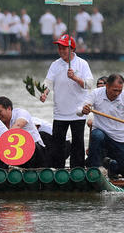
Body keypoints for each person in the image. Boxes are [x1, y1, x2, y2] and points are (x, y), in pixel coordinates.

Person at [39, 34, 93, 169]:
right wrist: (44, 93)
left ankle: (78, 169)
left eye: (64, 48)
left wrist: (75, 77)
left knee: (78, 142)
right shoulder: (55, 65)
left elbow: (89, 84)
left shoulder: (82, 64)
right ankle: (58, 169)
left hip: (78, 111)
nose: (61, 50)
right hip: (60, 112)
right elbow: (48, 83)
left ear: (72, 49)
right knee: (58, 143)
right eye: (59, 48)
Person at [81, 74, 124, 180]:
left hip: (119, 139)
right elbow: (80, 110)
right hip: (102, 136)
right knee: (96, 134)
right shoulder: (96, 94)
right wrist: (83, 110)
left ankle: (111, 165)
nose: (117, 93)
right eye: (115, 90)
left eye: (120, 90)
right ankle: (95, 169)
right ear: (107, 86)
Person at [0, 96, 46, 168]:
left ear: (9, 109)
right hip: (17, 154)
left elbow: (17, 126)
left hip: (36, 151)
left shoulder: (21, 113)